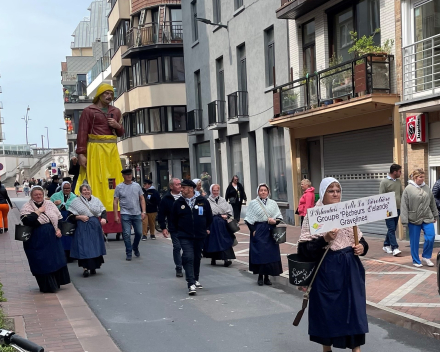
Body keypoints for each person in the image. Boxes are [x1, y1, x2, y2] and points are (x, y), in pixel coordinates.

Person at [298, 177, 369, 352]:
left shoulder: (347, 212)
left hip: (350, 269)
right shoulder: (314, 216)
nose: (336, 194)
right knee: (328, 310)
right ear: (323, 193)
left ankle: (356, 348)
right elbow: (304, 249)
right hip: (326, 270)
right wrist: (325, 238)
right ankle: (326, 348)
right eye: (331, 191)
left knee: (354, 309)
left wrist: (362, 247)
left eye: (338, 190)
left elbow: (360, 240)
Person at [76, 83, 124, 223]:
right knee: (95, 177)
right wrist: (81, 153)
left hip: (111, 149)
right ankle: (94, 207)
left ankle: (113, 207)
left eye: (111, 94)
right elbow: (82, 132)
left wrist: (117, 126)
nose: (109, 96)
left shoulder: (116, 111)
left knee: (112, 178)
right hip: (95, 149)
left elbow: (120, 132)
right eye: (106, 93)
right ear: (99, 94)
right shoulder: (88, 111)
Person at [20, 186, 71, 293]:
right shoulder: (27, 207)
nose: (38, 196)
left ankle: (56, 283)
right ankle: (47, 286)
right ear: (31, 196)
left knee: (55, 259)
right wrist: (38, 211)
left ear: (43, 195)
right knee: (42, 261)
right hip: (36, 240)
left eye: (40, 194)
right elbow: (27, 221)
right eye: (36, 195)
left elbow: (59, 218)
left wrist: (59, 229)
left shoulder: (50, 204)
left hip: (52, 238)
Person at [172, 179, 212, 295]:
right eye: (181, 187)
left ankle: (195, 278)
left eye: (183, 187)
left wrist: (206, 227)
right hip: (184, 235)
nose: (181, 189)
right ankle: (190, 283)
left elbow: (209, 216)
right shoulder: (178, 203)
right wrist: (174, 231)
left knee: (196, 257)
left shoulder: (202, 201)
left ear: (190, 188)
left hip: (199, 235)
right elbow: (173, 219)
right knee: (188, 256)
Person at [244, 183, 283, 286]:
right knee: (260, 254)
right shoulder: (253, 203)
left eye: (265, 190)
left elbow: (279, 217)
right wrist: (253, 230)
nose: (263, 192)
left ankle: (267, 277)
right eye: (261, 190)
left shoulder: (273, 203)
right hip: (259, 230)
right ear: (258, 192)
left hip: (270, 230)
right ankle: (260, 276)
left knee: (270, 254)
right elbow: (248, 219)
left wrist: (274, 221)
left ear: (268, 192)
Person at [401, 168, 438, 267]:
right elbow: (404, 205)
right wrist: (404, 221)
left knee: (431, 236)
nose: (423, 179)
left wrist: (435, 215)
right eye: (421, 177)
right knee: (414, 241)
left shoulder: (427, 188)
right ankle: (416, 260)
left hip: (427, 217)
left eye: (423, 177)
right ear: (415, 177)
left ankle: (426, 256)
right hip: (413, 218)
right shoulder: (408, 189)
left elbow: (432, 203)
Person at [69, 184, 107, 277]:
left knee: (95, 246)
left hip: (95, 227)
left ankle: (94, 267)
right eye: (84, 190)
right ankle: (85, 268)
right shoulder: (76, 202)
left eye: (88, 190)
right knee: (84, 247)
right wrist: (79, 217)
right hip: (82, 227)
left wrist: (104, 218)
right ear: (81, 192)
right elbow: (70, 216)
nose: (86, 192)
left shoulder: (96, 200)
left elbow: (103, 210)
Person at [114, 169, 146, 261]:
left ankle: (135, 247)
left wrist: (143, 211)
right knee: (126, 234)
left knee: (139, 233)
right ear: (123, 176)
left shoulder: (137, 186)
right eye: (127, 174)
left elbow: (142, 198)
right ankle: (128, 251)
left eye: (130, 174)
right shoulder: (119, 187)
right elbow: (115, 202)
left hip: (136, 213)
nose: (129, 176)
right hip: (125, 213)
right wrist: (116, 215)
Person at [204, 184, 236, 267]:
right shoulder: (207, 201)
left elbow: (228, 211)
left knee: (224, 240)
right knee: (214, 241)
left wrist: (226, 216)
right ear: (211, 191)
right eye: (214, 190)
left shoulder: (223, 200)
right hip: (213, 224)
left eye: (217, 190)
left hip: (222, 224)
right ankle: (213, 258)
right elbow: (206, 213)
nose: (215, 192)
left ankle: (226, 259)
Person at [158, 178, 183, 277]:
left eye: (180, 184)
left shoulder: (185, 196)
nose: (180, 186)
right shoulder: (166, 198)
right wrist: (163, 227)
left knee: (187, 248)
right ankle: (179, 267)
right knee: (177, 247)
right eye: (177, 184)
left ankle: (187, 264)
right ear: (171, 186)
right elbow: (161, 214)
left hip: (187, 227)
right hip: (174, 227)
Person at [379, 164, 403, 256]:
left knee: (392, 228)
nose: (400, 173)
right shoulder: (384, 182)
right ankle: (395, 248)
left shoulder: (398, 181)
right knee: (392, 228)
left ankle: (386, 244)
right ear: (395, 172)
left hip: (397, 208)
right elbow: (381, 197)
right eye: (399, 171)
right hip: (388, 209)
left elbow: (401, 194)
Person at [50, 181, 77, 262]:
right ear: (62, 188)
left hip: (70, 218)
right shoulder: (55, 195)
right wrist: (54, 203)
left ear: (71, 188)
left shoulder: (74, 197)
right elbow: (49, 205)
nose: (66, 190)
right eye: (65, 188)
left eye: (68, 188)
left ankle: (71, 255)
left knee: (69, 236)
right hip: (59, 218)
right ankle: (61, 255)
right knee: (60, 236)